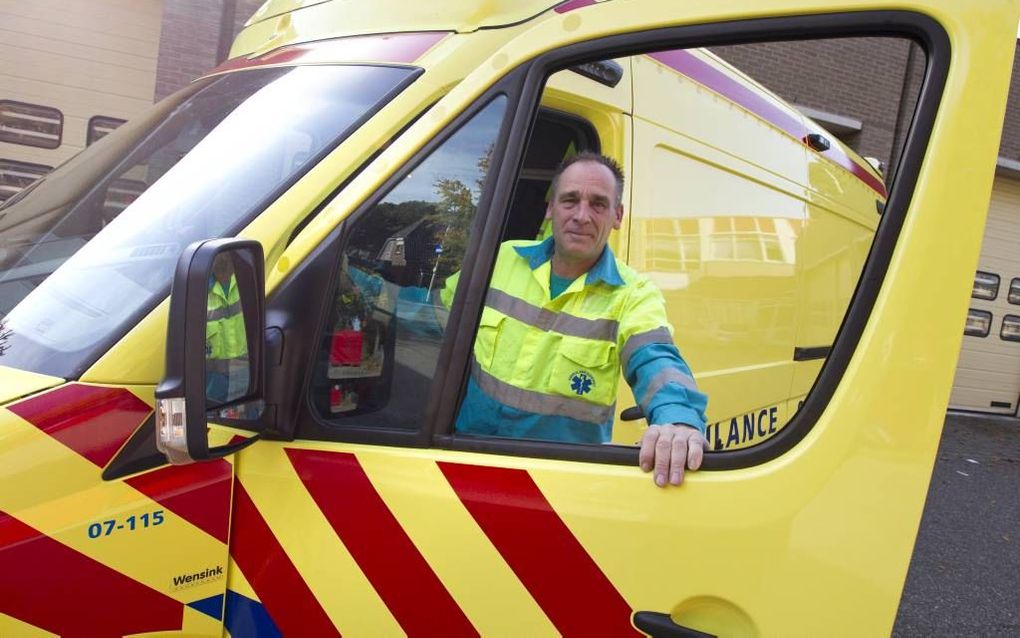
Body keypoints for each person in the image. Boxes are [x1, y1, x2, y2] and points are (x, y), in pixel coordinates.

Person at [452, 151, 708, 487]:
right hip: (460, 463)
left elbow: (656, 358)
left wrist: (678, 419)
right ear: (550, 208)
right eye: (570, 200)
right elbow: (438, 315)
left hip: (557, 492)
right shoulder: (502, 259)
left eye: (598, 204)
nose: (582, 215)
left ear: (617, 216)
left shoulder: (634, 295)